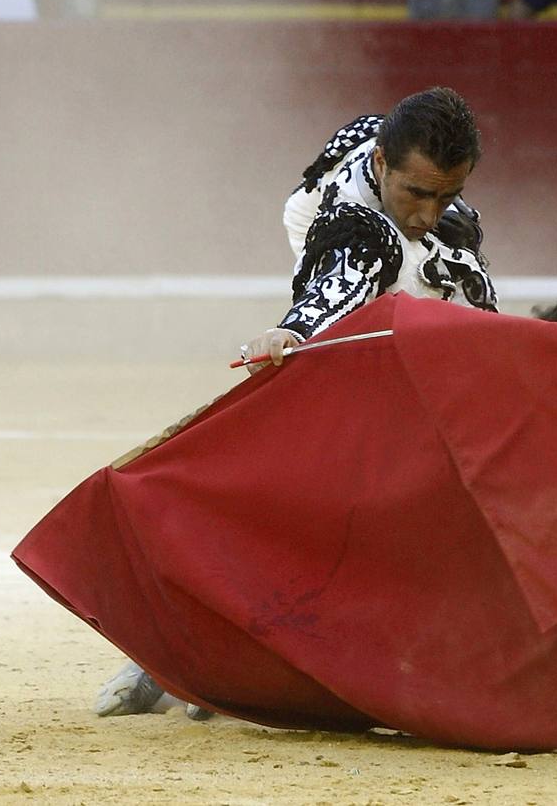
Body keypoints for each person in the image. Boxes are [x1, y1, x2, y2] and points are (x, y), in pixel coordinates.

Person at [93, 87, 497, 719]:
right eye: (417, 194)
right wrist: (297, 331)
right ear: (385, 164)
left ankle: (217, 662)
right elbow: (336, 282)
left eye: (446, 195)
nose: (428, 212)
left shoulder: (372, 143)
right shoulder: (362, 233)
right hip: (355, 320)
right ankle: (175, 660)